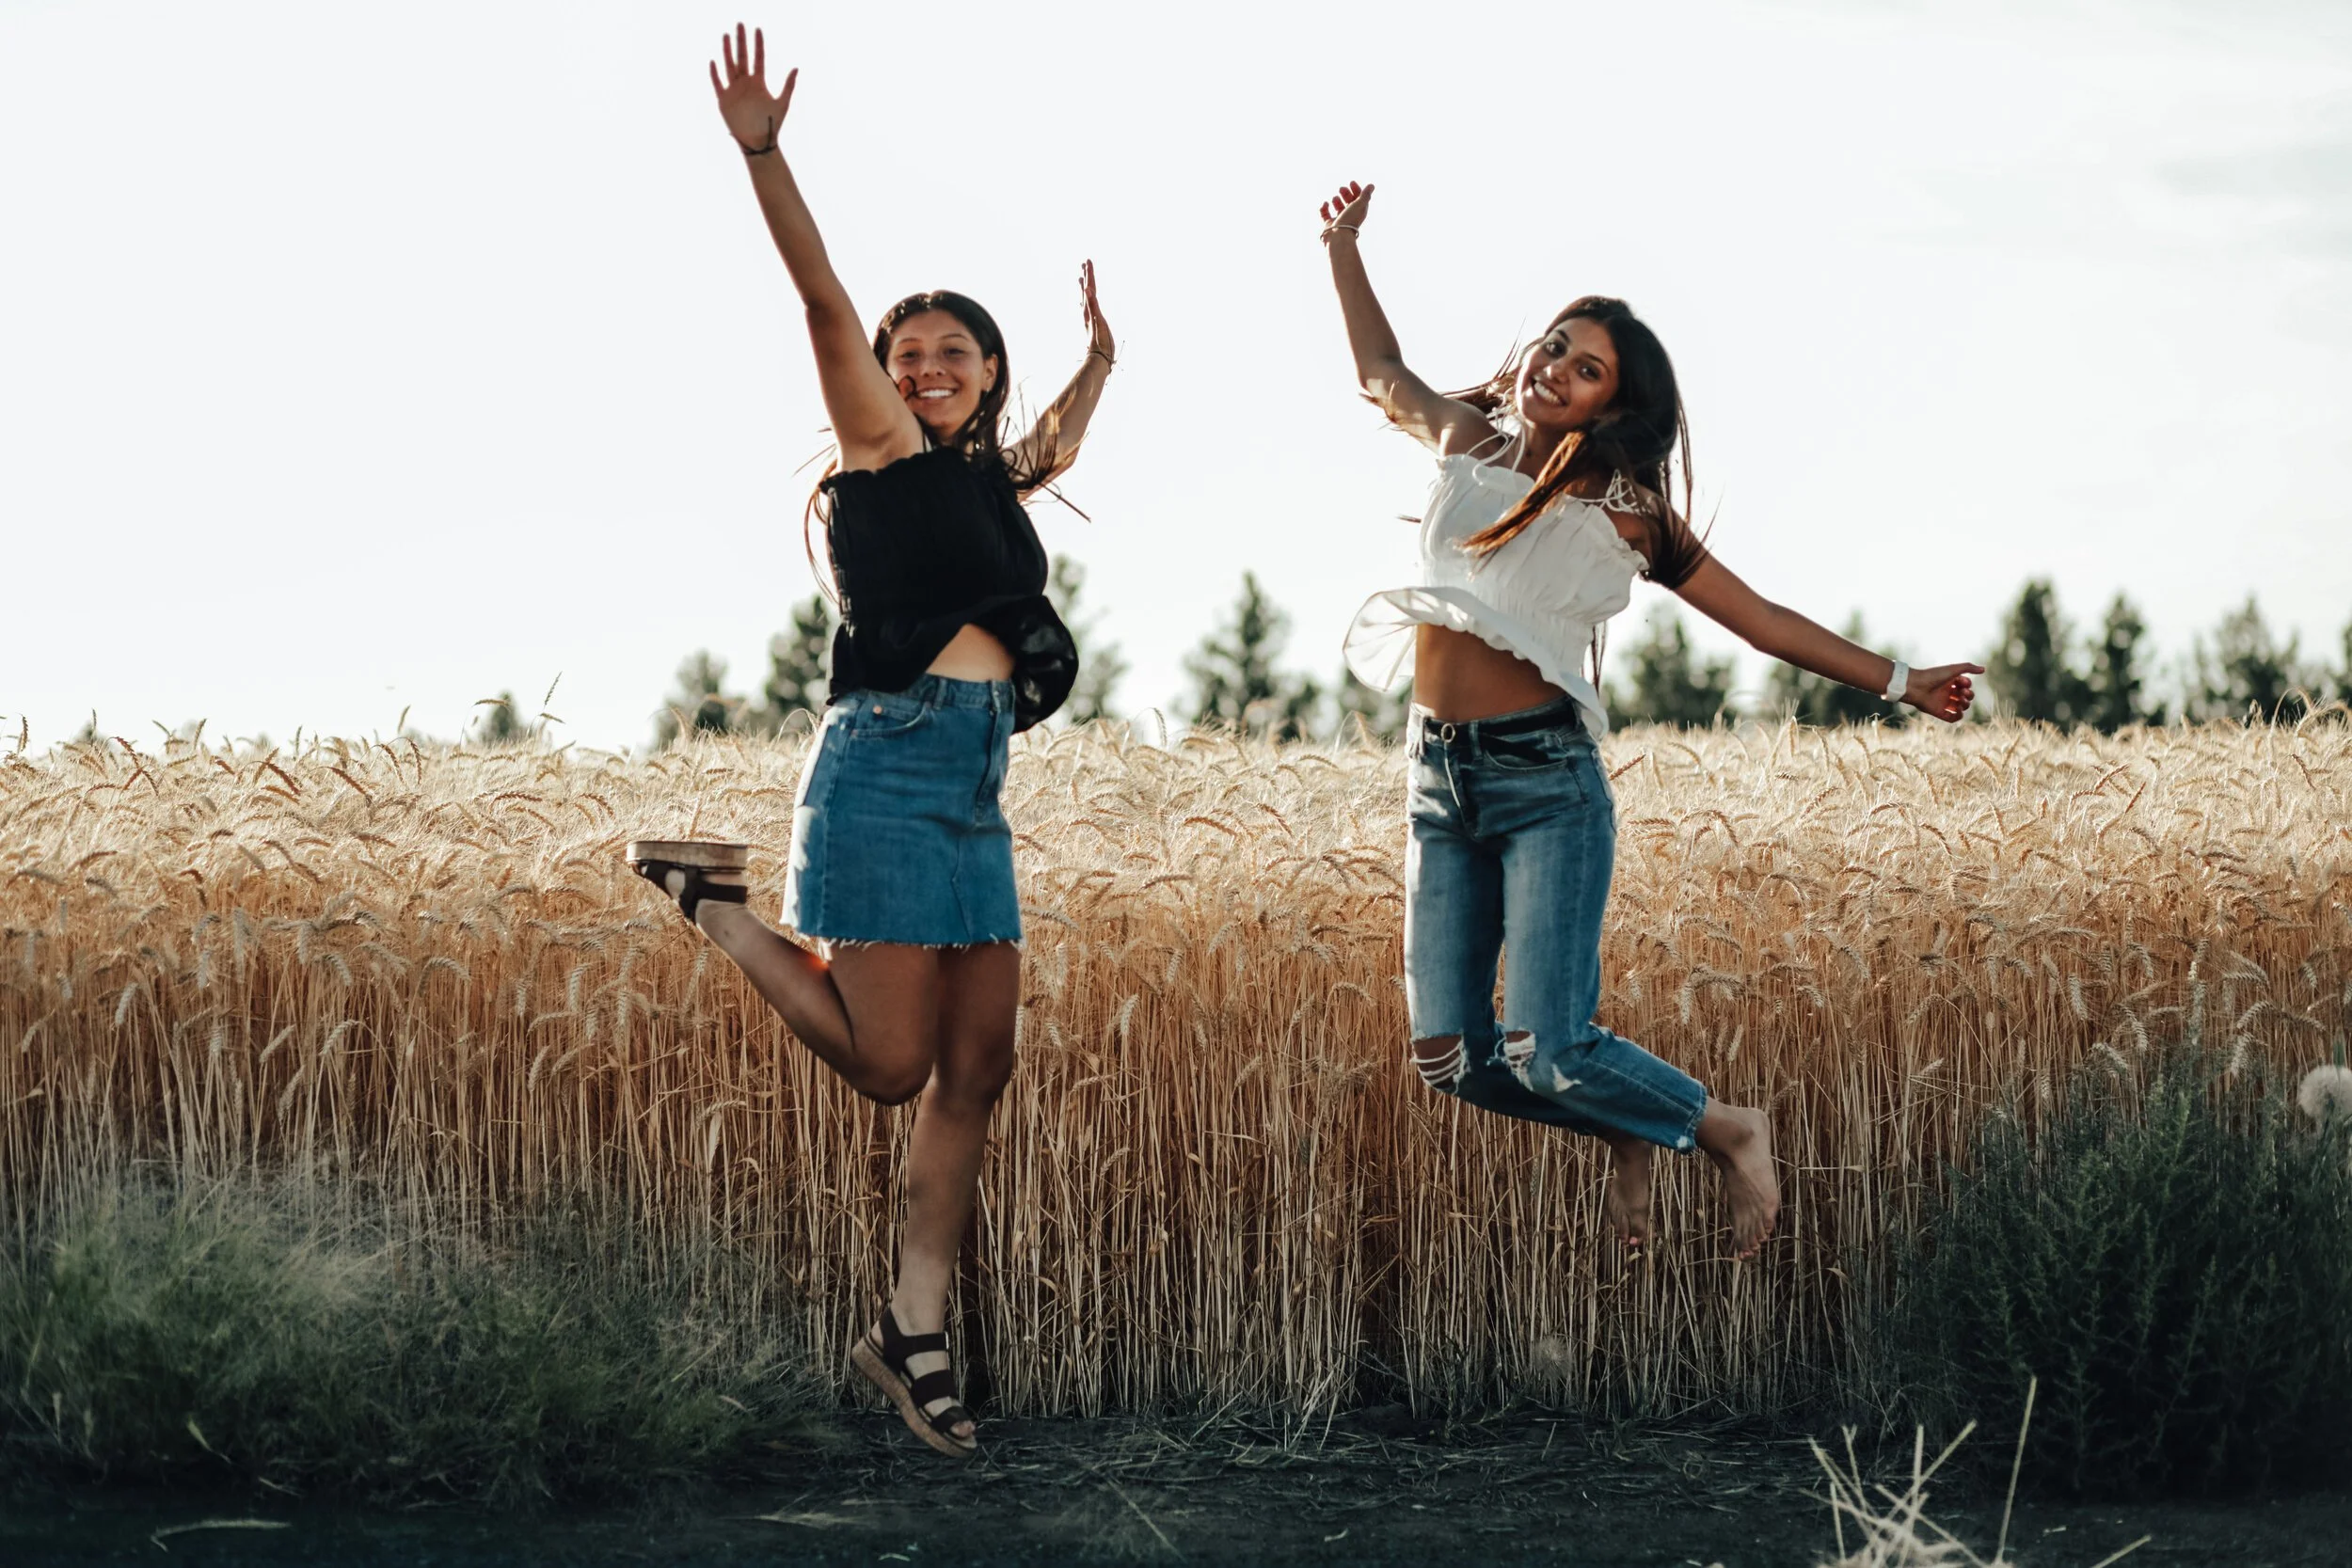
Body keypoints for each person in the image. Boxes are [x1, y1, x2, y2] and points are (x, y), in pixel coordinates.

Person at [1318, 179, 1979, 1260]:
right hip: (1437, 779)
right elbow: (1378, 373)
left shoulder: (1623, 510)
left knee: (1551, 1044)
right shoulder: (1465, 440)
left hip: (1544, 785)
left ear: (1612, 406)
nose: (1556, 370)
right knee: (1449, 1057)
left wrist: (1903, 681)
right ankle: (1629, 1122)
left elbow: (1761, 620)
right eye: (1553, 347)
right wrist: (1342, 248)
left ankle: (1723, 1128)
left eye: (1586, 369)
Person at [628, 24, 1117, 1460]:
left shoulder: (989, 480)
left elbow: (1058, 446)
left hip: (975, 784)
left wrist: (1100, 360)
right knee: (895, 1067)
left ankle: (912, 1332)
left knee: (978, 1075)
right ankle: (717, 903)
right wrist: (765, 153)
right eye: (910, 356)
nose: (923, 365)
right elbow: (822, 297)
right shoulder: (882, 455)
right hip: (888, 771)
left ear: (986, 372)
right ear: (886, 382)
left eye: (953, 351)